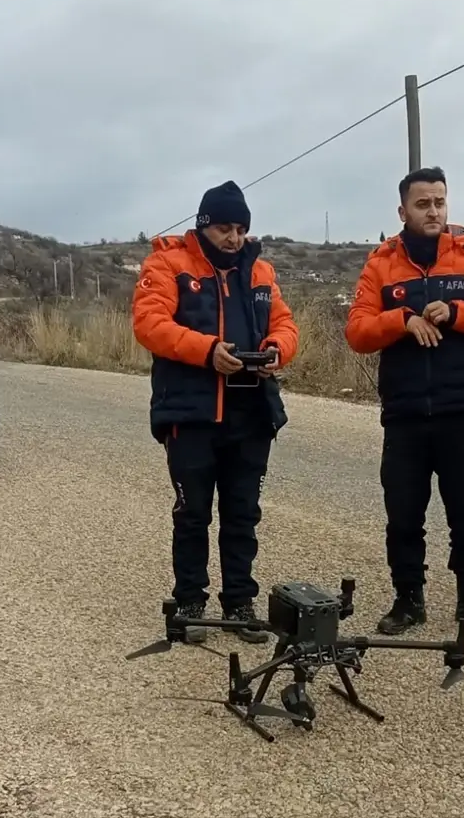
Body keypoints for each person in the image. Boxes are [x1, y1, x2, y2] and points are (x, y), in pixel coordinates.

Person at [345, 166, 464, 637]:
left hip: (461, 411)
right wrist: (401, 320)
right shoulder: (381, 264)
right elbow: (358, 332)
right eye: (423, 204)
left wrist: (459, 312)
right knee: (403, 514)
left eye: (440, 202)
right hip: (403, 415)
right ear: (402, 211)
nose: (434, 211)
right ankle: (407, 601)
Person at [131, 180, 299, 644]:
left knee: (243, 514)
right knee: (192, 513)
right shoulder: (167, 264)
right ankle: (190, 601)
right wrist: (207, 352)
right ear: (204, 225)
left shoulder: (261, 272)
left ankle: (240, 602)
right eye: (224, 227)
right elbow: (150, 323)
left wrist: (274, 351)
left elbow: (285, 325)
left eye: (241, 228)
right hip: (192, 413)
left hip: (251, 414)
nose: (233, 237)